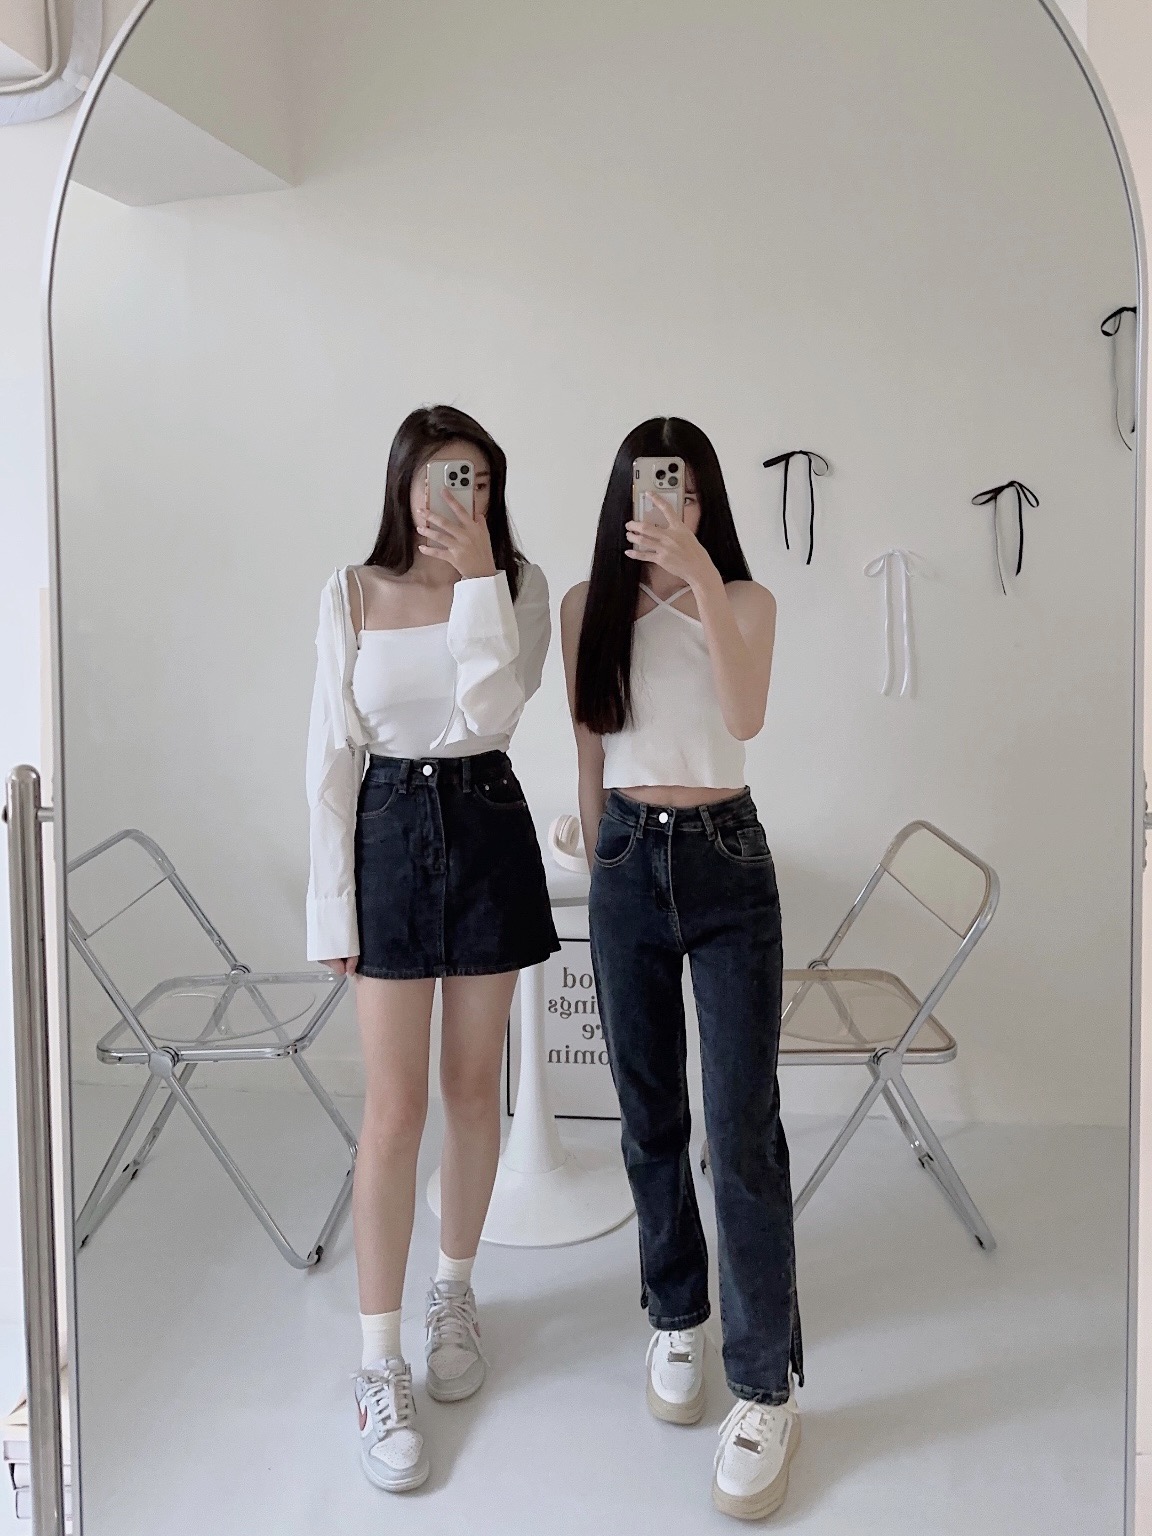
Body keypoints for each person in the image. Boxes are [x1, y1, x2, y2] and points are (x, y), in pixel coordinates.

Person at [306, 404, 558, 1492]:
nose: (461, 499)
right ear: (404, 482)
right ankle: (379, 1361)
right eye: (444, 479)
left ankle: (454, 1293)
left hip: (486, 814)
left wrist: (479, 580)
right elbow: (328, 755)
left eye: (479, 482)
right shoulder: (349, 592)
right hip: (387, 833)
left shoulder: (520, 589)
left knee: (469, 1087)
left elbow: (492, 709)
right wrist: (333, 908)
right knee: (394, 1108)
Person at [560, 417, 802, 1521]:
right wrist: (590, 845)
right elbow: (589, 743)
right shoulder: (588, 606)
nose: (669, 505)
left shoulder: (745, 600)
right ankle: (676, 1315)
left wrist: (699, 572)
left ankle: (764, 1386)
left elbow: (746, 715)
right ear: (623, 498)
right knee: (648, 1112)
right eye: (653, 487)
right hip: (625, 859)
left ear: (709, 503)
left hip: (726, 859)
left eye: (688, 490)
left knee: (741, 1127)